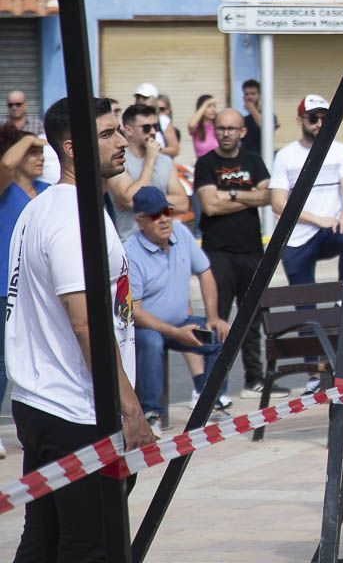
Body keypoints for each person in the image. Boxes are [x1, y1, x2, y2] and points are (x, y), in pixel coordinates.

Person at [5, 96, 154, 560]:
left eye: (118, 130)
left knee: (44, 539)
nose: (122, 139)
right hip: (76, 410)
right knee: (90, 544)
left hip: (45, 402)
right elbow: (86, 322)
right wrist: (129, 408)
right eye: (107, 134)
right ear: (72, 148)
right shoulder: (72, 219)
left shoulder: (45, 207)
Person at [194, 108, 286, 400]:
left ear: (242, 132)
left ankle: (254, 379)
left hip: (250, 251)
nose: (225, 133)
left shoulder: (254, 161)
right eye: (221, 128)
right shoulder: (206, 163)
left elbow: (268, 196)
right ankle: (214, 388)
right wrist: (247, 197)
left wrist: (229, 194)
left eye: (231, 129)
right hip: (217, 253)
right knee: (217, 319)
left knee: (252, 319)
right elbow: (209, 206)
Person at [126, 186, 232, 437]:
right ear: (140, 221)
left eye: (167, 212)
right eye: (154, 215)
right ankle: (152, 414)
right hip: (146, 328)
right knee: (152, 342)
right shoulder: (130, 252)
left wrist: (213, 317)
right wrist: (175, 332)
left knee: (221, 335)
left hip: (179, 323)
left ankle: (211, 404)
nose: (163, 219)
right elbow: (136, 312)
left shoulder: (181, 233)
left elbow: (205, 272)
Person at [0, 124, 49, 459]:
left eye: (42, 151)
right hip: (5, 288)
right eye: (32, 151)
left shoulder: (46, 190)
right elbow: (5, 167)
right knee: (3, 363)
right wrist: (30, 136)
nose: (40, 157)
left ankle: (39, 427)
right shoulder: (4, 187)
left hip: (39, 290)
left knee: (38, 360)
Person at [270, 95, 343, 286]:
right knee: (305, 308)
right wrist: (318, 220)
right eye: (314, 118)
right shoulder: (285, 156)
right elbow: (277, 203)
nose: (320, 124)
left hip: (331, 231)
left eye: (325, 118)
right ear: (300, 121)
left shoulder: (340, 151)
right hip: (297, 237)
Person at [109, 103, 190, 241]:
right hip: (130, 242)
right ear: (128, 130)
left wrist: (143, 202)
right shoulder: (117, 160)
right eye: (146, 128)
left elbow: (183, 204)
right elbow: (129, 200)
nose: (153, 132)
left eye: (156, 127)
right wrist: (150, 161)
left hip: (164, 243)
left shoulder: (165, 161)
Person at [241, 78, 277, 157]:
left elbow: (267, 129)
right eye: (246, 94)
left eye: (253, 94)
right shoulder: (243, 120)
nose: (249, 97)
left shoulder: (269, 116)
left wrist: (252, 109)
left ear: (260, 95)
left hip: (263, 159)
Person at [189, 94, 220, 160]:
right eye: (209, 106)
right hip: (202, 166)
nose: (213, 109)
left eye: (214, 106)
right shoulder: (197, 126)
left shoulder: (218, 125)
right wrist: (206, 103)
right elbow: (191, 125)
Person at [154, 94, 183, 159]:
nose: (158, 112)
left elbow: (175, 151)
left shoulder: (175, 131)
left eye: (161, 109)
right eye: (156, 109)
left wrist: (154, 149)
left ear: (169, 110)